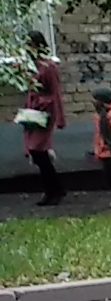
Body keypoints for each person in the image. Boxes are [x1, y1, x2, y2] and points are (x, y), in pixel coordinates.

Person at [18, 30, 65, 205]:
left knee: (39, 150)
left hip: (45, 112)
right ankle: (56, 189)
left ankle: (52, 192)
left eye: (30, 44)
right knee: (35, 152)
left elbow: (55, 93)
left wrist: (59, 117)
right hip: (32, 111)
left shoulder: (49, 66)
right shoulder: (32, 65)